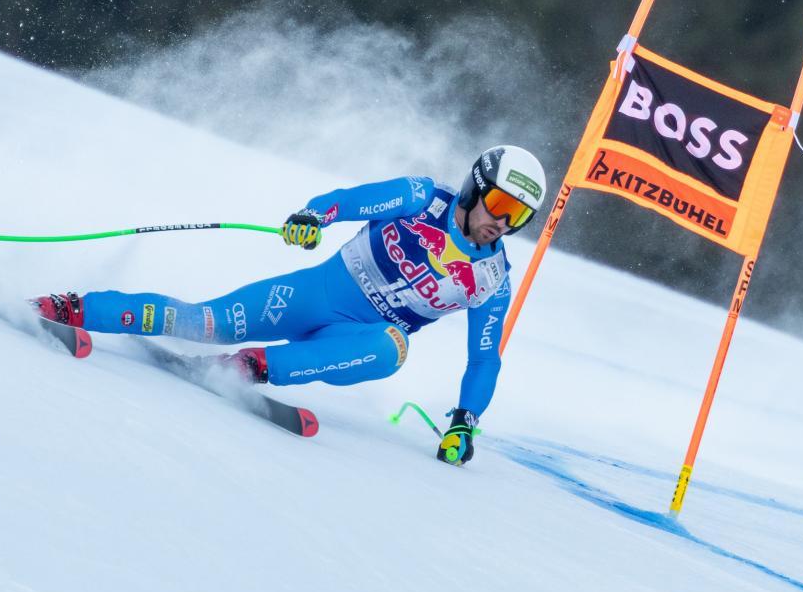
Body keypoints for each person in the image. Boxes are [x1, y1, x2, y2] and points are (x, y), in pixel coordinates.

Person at [35, 145, 547, 466]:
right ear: (475, 188)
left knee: (394, 346)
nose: (502, 224)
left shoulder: (491, 279)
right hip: (312, 297)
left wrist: (465, 421)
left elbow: (484, 359)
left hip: (354, 342)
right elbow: (350, 200)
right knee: (200, 321)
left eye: (518, 217)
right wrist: (313, 216)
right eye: (500, 206)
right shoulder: (423, 198)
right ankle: (74, 308)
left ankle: (252, 368)